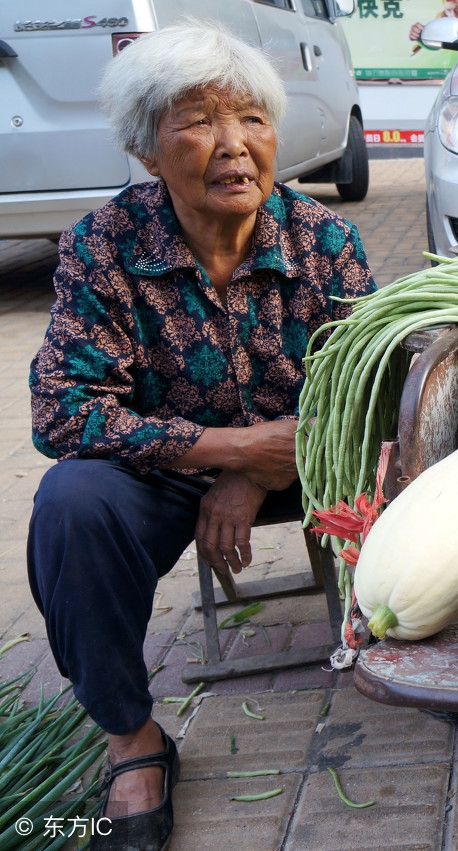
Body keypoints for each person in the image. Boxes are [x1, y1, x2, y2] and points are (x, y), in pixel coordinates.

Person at [26, 24, 375, 851]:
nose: (233, 146)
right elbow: (61, 410)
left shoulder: (324, 242)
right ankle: (133, 740)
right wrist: (222, 452)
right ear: (148, 150)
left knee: (437, 439)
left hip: (309, 452)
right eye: (198, 121)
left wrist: (256, 470)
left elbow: (372, 384)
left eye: (252, 119)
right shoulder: (103, 245)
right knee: (71, 503)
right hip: (165, 467)